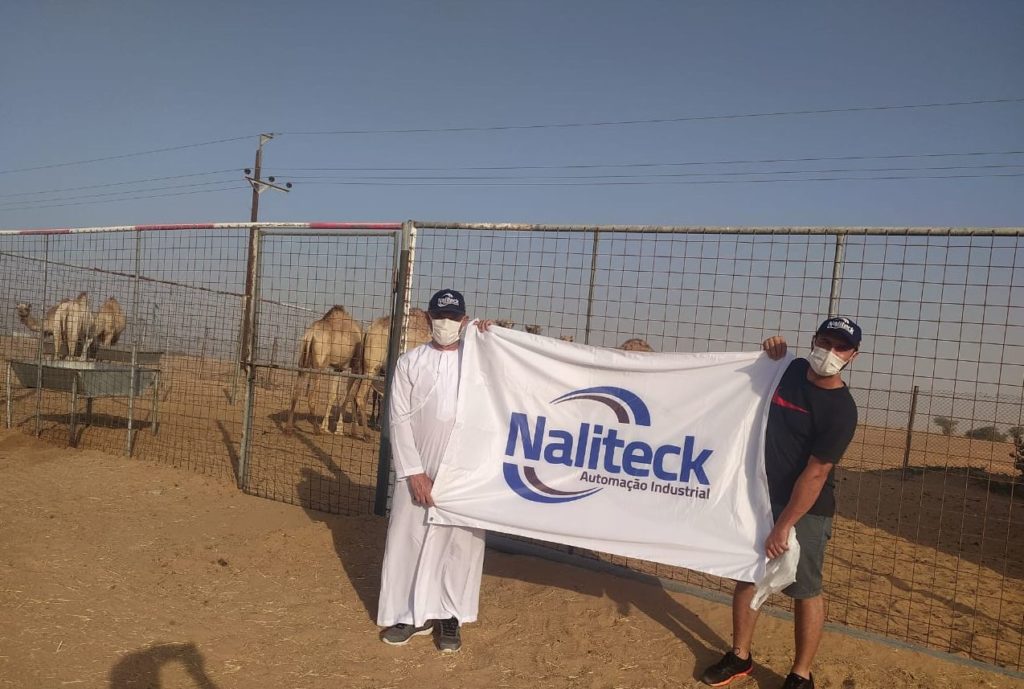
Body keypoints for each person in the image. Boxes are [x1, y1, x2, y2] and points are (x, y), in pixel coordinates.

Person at [701, 317, 861, 689]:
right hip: (757, 497)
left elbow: (816, 474)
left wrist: (784, 525)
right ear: (814, 340)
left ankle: (800, 674)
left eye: (841, 347)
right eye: (825, 342)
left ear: (853, 356)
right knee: (749, 574)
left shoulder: (842, 410)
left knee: (805, 590)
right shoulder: (786, 371)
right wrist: (768, 351)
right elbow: (746, 385)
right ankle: (740, 656)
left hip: (806, 509)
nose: (830, 352)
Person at [376, 289, 485, 653]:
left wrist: (494, 338)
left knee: (460, 543)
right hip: (419, 465)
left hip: (464, 469)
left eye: (453, 318)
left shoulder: (478, 362)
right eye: (439, 317)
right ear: (427, 318)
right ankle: (409, 613)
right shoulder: (410, 362)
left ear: (464, 321)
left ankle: (450, 615)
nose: (445, 324)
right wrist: (414, 472)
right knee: (409, 537)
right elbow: (399, 419)